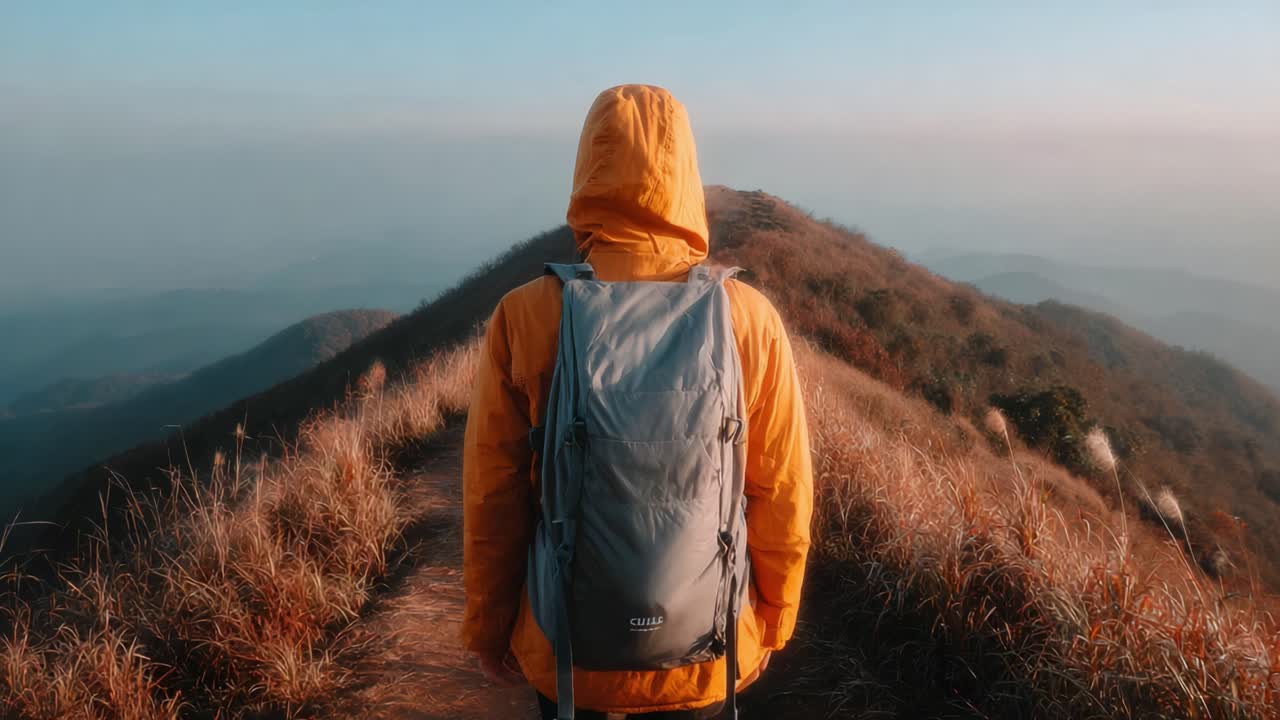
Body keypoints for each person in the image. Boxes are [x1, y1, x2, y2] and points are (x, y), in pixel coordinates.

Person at [462, 84, 813, 719]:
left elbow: (494, 492)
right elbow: (780, 489)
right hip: (706, 648)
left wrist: (489, 626)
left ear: (589, 170)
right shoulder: (748, 319)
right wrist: (774, 620)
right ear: (687, 172)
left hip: (566, 648)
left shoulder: (528, 313)